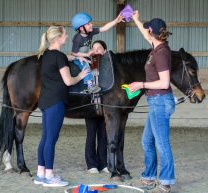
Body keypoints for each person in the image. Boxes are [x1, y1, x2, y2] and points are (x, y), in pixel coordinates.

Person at [33, 26, 89, 187]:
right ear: (58, 38)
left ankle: (40, 174)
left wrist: (76, 57)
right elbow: (68, 81)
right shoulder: (59, 57)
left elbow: (64, 58)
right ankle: (49, 176)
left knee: (45, 137)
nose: (67, 36)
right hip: (56, 102)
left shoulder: (46, 55)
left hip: (45, 101)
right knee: (51, 138)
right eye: (65, 34)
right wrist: (80, 75)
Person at [129, 11, 175, 193]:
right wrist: (135, 19)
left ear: (151, 31)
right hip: (155, 101)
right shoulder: (156, 47)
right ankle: (149, 178)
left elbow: (164, 83)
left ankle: (165, 183)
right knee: (147, 142)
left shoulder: (161, 53)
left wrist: (141, 84)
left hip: (160, 101)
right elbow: (144, 31)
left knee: (162, 144)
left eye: (147, 28)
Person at [71, 12, 124, 93]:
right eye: (88, 24)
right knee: (86, 67)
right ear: (82, 28)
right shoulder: (77, 38)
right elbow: (74, 53)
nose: (91, 25)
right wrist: (87, 54)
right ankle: (90, 86)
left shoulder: (90, 32)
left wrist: (116, 21)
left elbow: (104, 28)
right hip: (79, 58)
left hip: (85, 55)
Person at [84, 40, 109, 174]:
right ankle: (91, 164)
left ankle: (103, 163)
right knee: (91, 134)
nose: (96, 51)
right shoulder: (88, 65)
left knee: (104, 135)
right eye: (94, 48)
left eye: (99, 48)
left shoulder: (109, 67)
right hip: (91, 104)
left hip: (105, 105)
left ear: (105, 51)